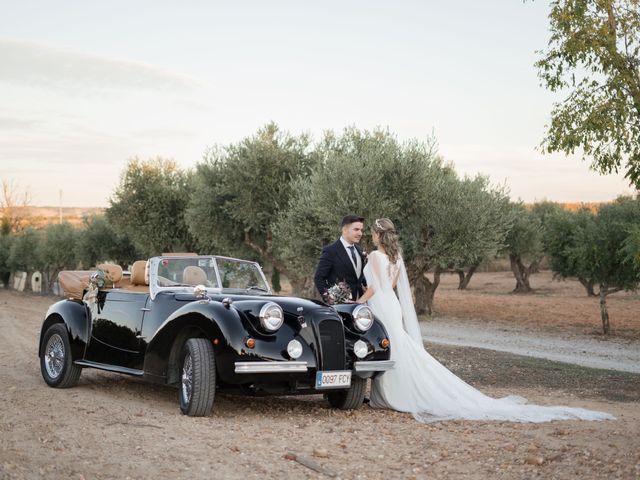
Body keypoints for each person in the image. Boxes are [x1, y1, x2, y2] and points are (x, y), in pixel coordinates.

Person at [356, 218, 614, 423]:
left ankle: (393, 395)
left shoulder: (375, 256)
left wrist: (358, 301)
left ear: (378, 234)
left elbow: (377, 288)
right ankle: (389, 393)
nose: (371, 236)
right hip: (392, 306)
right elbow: (390, 285)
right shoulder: (396, 257)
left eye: (372, 232)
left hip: (380, 304)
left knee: (391, 347)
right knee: (398, 346)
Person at [314, 214, 367, 302]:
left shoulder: (359, 250)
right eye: (356, 229)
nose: (360, 233)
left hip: (359, 304)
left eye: (361, 230)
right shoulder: (330, 251)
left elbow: (359, 276)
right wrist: (330, 298)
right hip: (339, 305)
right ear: (345, 229)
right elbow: (318, 278)